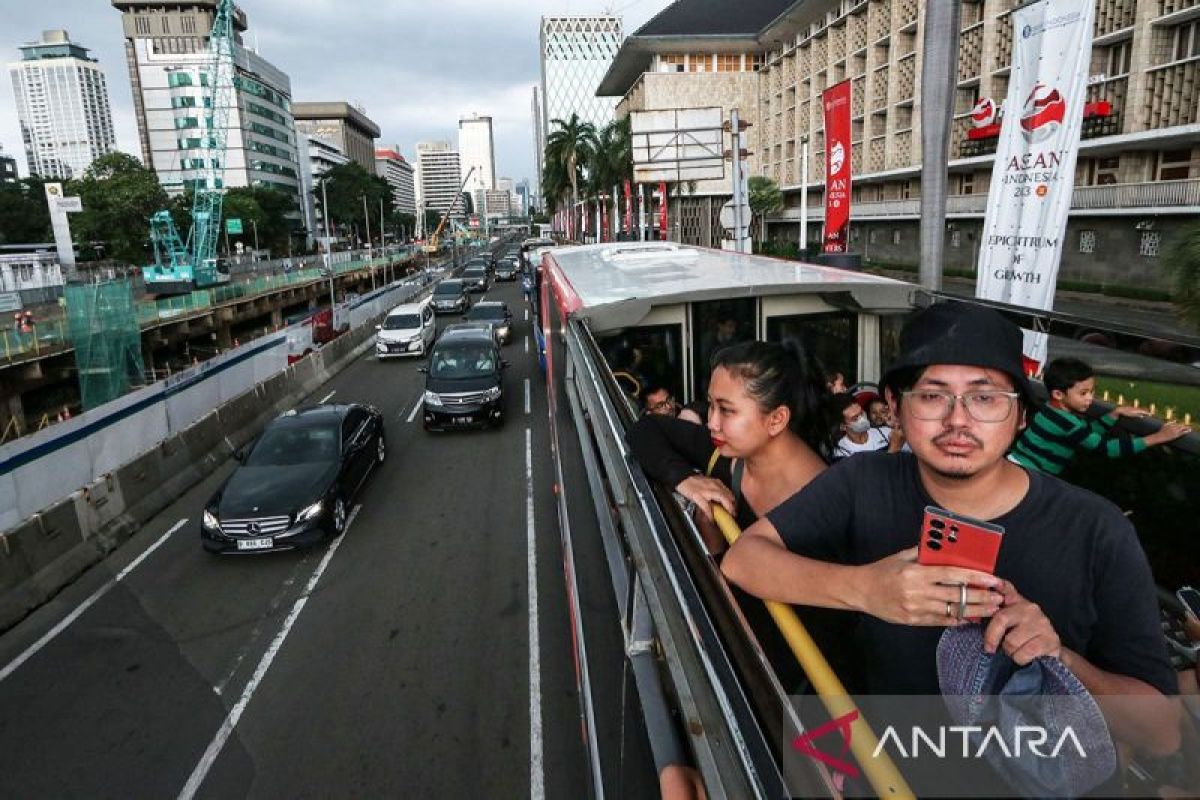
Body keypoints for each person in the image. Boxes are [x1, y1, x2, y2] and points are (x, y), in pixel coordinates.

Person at [722, 304, 1181, 768]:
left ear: (1021, 415)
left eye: (985, 398)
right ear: (895, 406)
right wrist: (867, 589)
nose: (958, 421)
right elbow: (744, 559)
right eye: (931, 396)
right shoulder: (864, 482)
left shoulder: (1096, 529)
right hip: (893, 771)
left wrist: (1058, 656)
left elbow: (1161, 732)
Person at [628, 340, 831, 552]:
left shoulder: (823, 508)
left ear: (777, 419)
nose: (712, 423)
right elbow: (644, 429)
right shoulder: (723, 451)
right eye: (711, 406)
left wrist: (715, 550)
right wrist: (685, 479)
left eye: (726, 410)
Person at [1011, 356, 1191, 476]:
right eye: (1083, 393)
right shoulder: (1065, 422)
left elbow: (1086, 434)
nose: (1090, 398)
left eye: (1092, 391)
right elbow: (1107, 449)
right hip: (1026, 475)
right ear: (1058, 394)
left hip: (1019, 469)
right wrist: (1159, 437)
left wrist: (1113, 414)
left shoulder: (1050, 410)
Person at [830, 393, 896, 459]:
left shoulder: (887, 433)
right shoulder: (841, 452)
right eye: (855, 418)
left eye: (861, 413)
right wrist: (893, 449)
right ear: (843, 426)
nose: (862, 418)